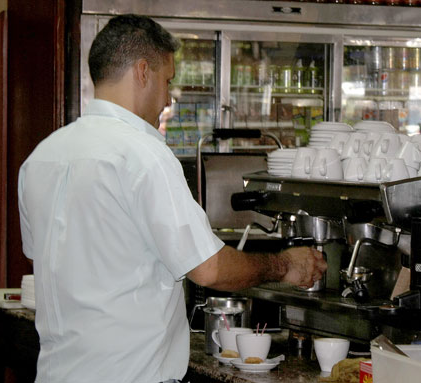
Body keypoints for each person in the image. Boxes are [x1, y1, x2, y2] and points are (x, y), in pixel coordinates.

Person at [18, 14, 327, 383]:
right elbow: (209, 269)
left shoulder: (41, 157)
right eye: (168, 81)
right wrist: (284, 266)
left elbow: (46, 260)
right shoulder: (145, 155)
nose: (168, 98)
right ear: (143, 72)